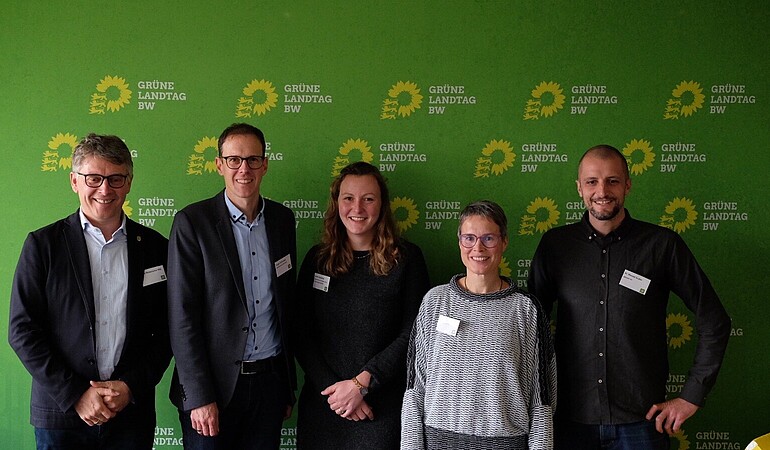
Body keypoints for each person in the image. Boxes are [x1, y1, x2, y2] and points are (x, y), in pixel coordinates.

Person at [528, 144, 731, 449]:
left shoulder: (662, 246)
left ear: (627, 185)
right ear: (579, 188)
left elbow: (715, 321)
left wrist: (692, 396)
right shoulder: (555, 246)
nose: (602, 191)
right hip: (569, 422)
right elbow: (528, 328)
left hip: (642, 424)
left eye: (612, 180)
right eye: (592, 181)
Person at [8, 133, 171, 449]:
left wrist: (131, 387)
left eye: (115, 179)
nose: (105, 189)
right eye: (94, 178)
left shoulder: (155, 248)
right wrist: (76, 395)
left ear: (129, 182)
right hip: (62, 416)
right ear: (74, 181)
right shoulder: (42, 246)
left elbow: (167, 330)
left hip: (130, 416)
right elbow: (22, 331)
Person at [167, 123, 297, 449]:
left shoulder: (282, 221)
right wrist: (198, 396)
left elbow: (284, 304)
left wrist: (286, 386)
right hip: (214, 389)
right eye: (234, 159)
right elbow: (182, 317)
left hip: (269, 385)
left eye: (253, 160)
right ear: (219, 164)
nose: (244, 169)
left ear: (265, 164)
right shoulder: (192, 223)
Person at [294, 161, 430, 449]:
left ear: (382, 205)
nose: (358, 208)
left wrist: (361, 385)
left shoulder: (407, 259)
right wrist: (338, 394)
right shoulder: (317, 259)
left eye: (368, 199)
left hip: (381, 409)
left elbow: (415, 332)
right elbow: (300, 331)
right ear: (336, 203)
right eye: (348, 198)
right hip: (325, 405)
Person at [401, 200, 556, 450]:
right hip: (438, 443)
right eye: (469, 238)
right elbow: (415, 388)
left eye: (488, 239)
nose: (478, 248)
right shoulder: (434, 302)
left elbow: (541, 401)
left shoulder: (526, 309)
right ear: (459, 242)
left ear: (504, 241)